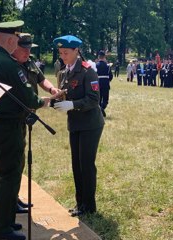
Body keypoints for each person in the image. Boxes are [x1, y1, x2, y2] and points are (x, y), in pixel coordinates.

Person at [0, 21, 50, 240]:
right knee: (10, 175)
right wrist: (43, 102)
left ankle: (3, 219)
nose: (18, 43)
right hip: (9, 127)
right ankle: (1, 229)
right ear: (10, 40)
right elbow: (30, 98)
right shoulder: (9, 65)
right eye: (17, 39)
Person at [52, 35, 104, 216]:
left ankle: (89, 206)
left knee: (86, 164)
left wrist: (73, 105)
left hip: (90, 124)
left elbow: (93, 99)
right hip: (75, 123)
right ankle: (80, 203)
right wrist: (60, 98)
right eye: (60, 53)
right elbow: (69, 91)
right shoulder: (66, 71)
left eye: (66, 52)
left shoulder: (88, 71)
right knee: (76, 164)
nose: (63, 56)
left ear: (76, 51)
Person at [12, 33, 61, 214]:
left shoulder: (30, 61)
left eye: (29, 49)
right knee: (14, 160)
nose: (27, 52)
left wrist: (51, 88)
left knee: (20, 159)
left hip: (27, 115)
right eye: (23, 48)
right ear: (14, 47)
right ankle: (10, 200)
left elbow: (41, 79)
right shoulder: (10, 66)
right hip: (16, 115)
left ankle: (14, 197)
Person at [96, 50, 113, 117]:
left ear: (99, 57)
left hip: (97, 83)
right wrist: (107, 80)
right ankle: (102, 108)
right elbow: (111, 76)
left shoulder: (95, 65)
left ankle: (100, 109)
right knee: (105, 99)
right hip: (105, 83)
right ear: (104, 57)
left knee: (99, 98)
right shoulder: (108, 66)